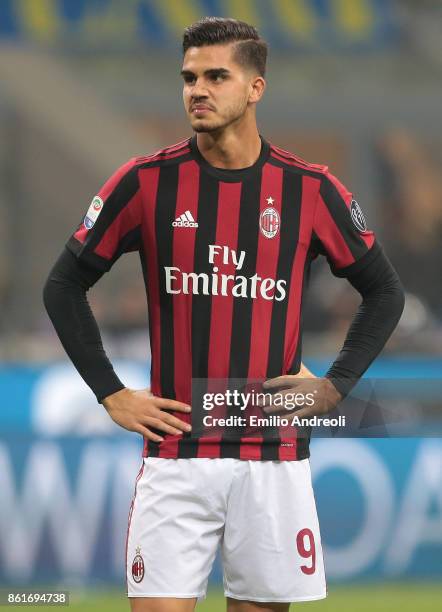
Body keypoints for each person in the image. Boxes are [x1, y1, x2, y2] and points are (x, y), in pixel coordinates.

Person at [43, 17, 404, 612]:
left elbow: (384, 291)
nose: (197, 90)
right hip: (177, 455)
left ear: (255, 88)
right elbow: (63, 285)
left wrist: (337, 386)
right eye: (189, 78)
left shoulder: (309, 189)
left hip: (273, 455)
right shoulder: (144, 183)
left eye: (216, 76)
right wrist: (111, 393)